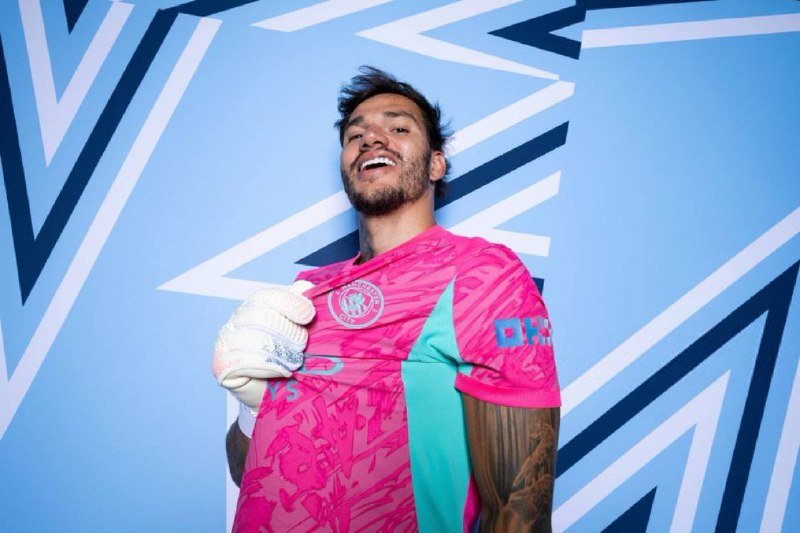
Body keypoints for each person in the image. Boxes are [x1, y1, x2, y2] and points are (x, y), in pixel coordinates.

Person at [213, 66, 561, 532]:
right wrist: (252, 407)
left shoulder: (483, 277)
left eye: (398, 128)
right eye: (355, 135)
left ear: (436, 164)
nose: (371, 139)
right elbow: (252, 477)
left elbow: (520, 510)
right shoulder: (305, 295)